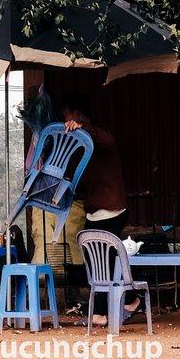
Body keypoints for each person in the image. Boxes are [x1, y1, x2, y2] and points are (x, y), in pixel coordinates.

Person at [58, 102, 126, 290]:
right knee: (95, 258)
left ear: (77, 114)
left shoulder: (98, 136)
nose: (66, 122)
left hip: (111, 208)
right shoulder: (81, 147)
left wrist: (82, 127)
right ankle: (128, 301)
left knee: (102, 260)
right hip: (95, 211)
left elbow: (109, 139)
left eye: (67, 117)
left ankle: (103, 311)